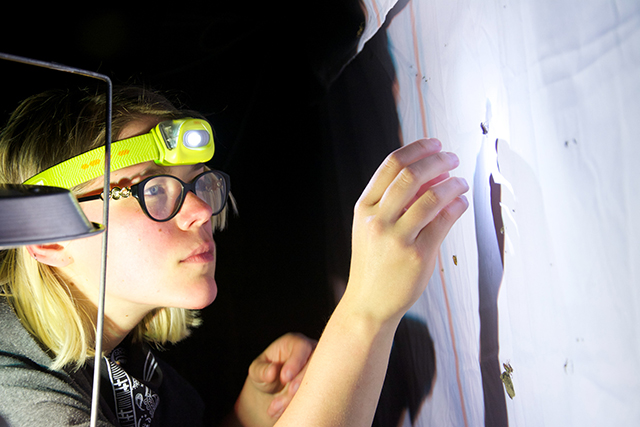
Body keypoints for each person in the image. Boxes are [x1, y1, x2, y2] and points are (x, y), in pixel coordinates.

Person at [0, 85, 468, 426]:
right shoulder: (24, 403)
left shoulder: (116, 352)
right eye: (153, 188)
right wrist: (367, 312)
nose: (202, 209)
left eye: (197, 181)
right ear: (49, 239)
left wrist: (245, 420)